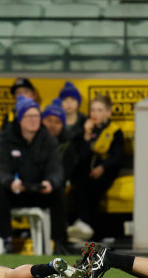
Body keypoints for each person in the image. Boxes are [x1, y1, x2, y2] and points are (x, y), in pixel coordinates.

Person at [0, 95, 68, 254]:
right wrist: (10, 182)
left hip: (39, 190)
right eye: (29, 116)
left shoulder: (48, 140)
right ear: (20, 118)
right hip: (16, 190)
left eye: (36, 116)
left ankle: (58, 243)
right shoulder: (6, 139)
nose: (34, 120)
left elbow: (57, 169)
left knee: (59, 193)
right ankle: (6, 240)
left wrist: (50, 182)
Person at [68, 94, 124, 242]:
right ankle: (83, 224)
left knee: (91, 184)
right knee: (81, 179)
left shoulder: (115, 131)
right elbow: (81, 156)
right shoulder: (85, 129)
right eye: (93, 110)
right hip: (86, 171)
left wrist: (102, 168)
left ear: (108, 112)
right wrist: (86, 135)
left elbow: (117, 157)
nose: (95, 114)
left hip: (107, 171)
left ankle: (84, 224)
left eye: (99, 110)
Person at [41, 98, 78, 183]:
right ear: (42, 121)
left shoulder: (68, 145)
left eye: (57, 122)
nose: (52, 125)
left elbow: (66, 172)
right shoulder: (33, 140)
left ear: (63, 125)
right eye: (49, 120)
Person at [59, 81, 87, 152]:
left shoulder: (86, 121)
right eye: (65, 99)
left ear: (78, 103)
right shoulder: (55, 120)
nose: (69, 103)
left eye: (73, 99)